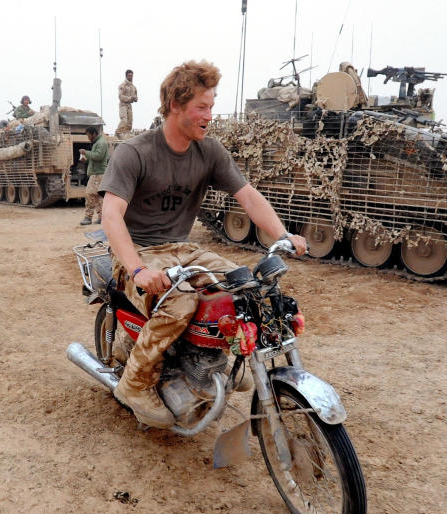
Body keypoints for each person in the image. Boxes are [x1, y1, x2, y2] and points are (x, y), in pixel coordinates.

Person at [99, 60, 307, 428]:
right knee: (180, 302)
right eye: (202, 107)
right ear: (175, 106)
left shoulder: (209, 151)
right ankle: (134, 383)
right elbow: (111, 215)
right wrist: (139, 270)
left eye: (211, 106)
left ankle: (217, 362)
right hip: (138, 253)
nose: (210, 115)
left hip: (184, 248)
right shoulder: (134, 152)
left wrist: (283, 235)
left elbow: (249, 196)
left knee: (250, 286)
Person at [78, 125, 109, 225]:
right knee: (99, 197)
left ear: (94, 134)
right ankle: (101, 217)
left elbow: (98, 156)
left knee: (90, 194)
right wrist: (86, 158)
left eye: (89, 136)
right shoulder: (98, 142)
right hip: (97, 173)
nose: (88, 138)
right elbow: (95, 157)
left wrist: (85, 153)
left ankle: (88, 217)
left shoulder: (101, 143)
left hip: (98, 174)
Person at [115, 69, 138, 136]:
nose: (131, 77)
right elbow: (120, 96)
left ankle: (127, 135)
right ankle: (118, 133)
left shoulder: (133, 87)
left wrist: (135, 98)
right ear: (126, 76)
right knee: (124, 120)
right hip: (123, 104)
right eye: (129, 76)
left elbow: (136, 97)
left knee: (130, 122)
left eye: (132, 76)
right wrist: (129, 98)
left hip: (129, 105)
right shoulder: (122, 85)